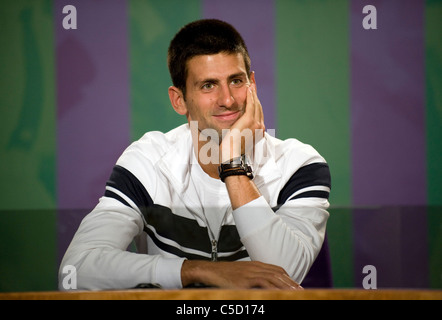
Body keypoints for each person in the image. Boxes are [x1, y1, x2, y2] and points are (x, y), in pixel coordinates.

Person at [58, 19, 331, 290]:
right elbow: (75, 272)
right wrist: (197, 271)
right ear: (179, 100)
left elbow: (284, 274)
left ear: (253, 85)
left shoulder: (298, 165)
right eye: (208, 86)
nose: (227, 99)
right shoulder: (149, 162)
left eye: (236, 81)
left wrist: (232, 163)